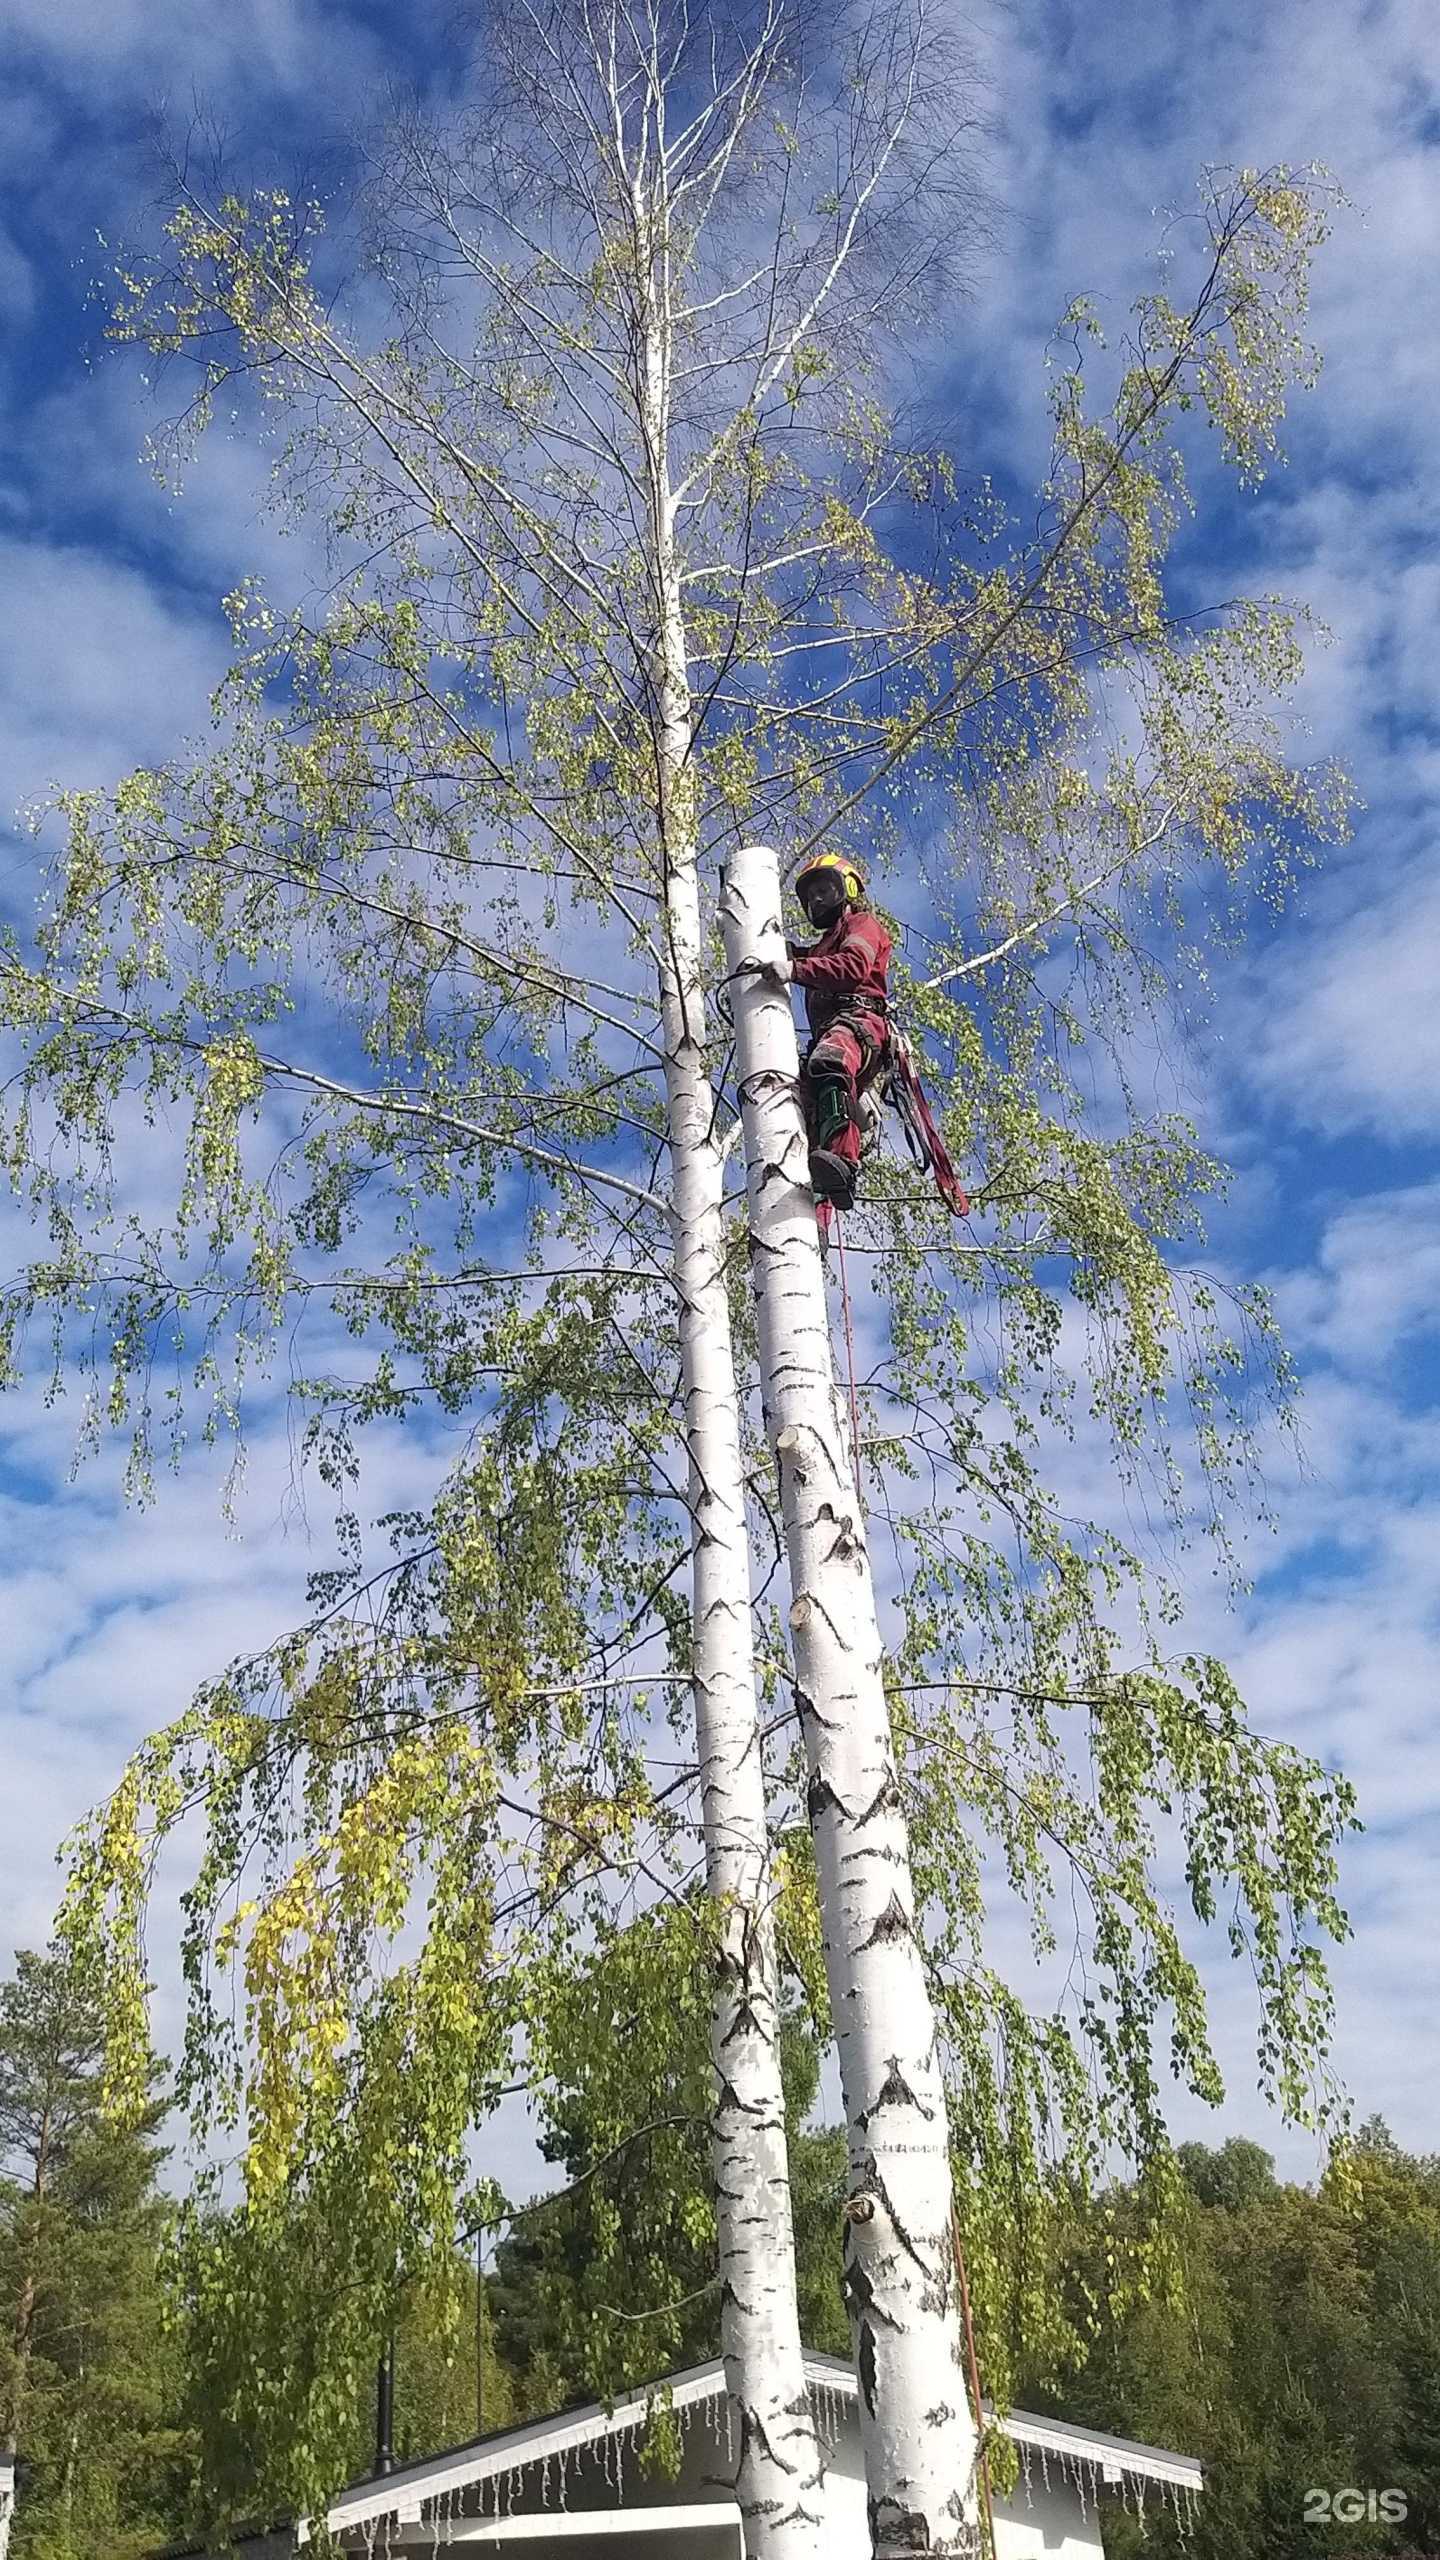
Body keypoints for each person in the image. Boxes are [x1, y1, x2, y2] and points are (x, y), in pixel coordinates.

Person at [787, 850, 892, 1213]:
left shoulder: (862, 924)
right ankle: (814, 1219)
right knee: (805, 1119)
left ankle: (845, 1163)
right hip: (834, 1032)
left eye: (824, 890)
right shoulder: (819, 948)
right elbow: (815, 958)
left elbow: (851, 966)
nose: (816, 899)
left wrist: (792, 968)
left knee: (829, 1062)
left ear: (847, 888)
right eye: (809, 895)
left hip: (859, 1023)